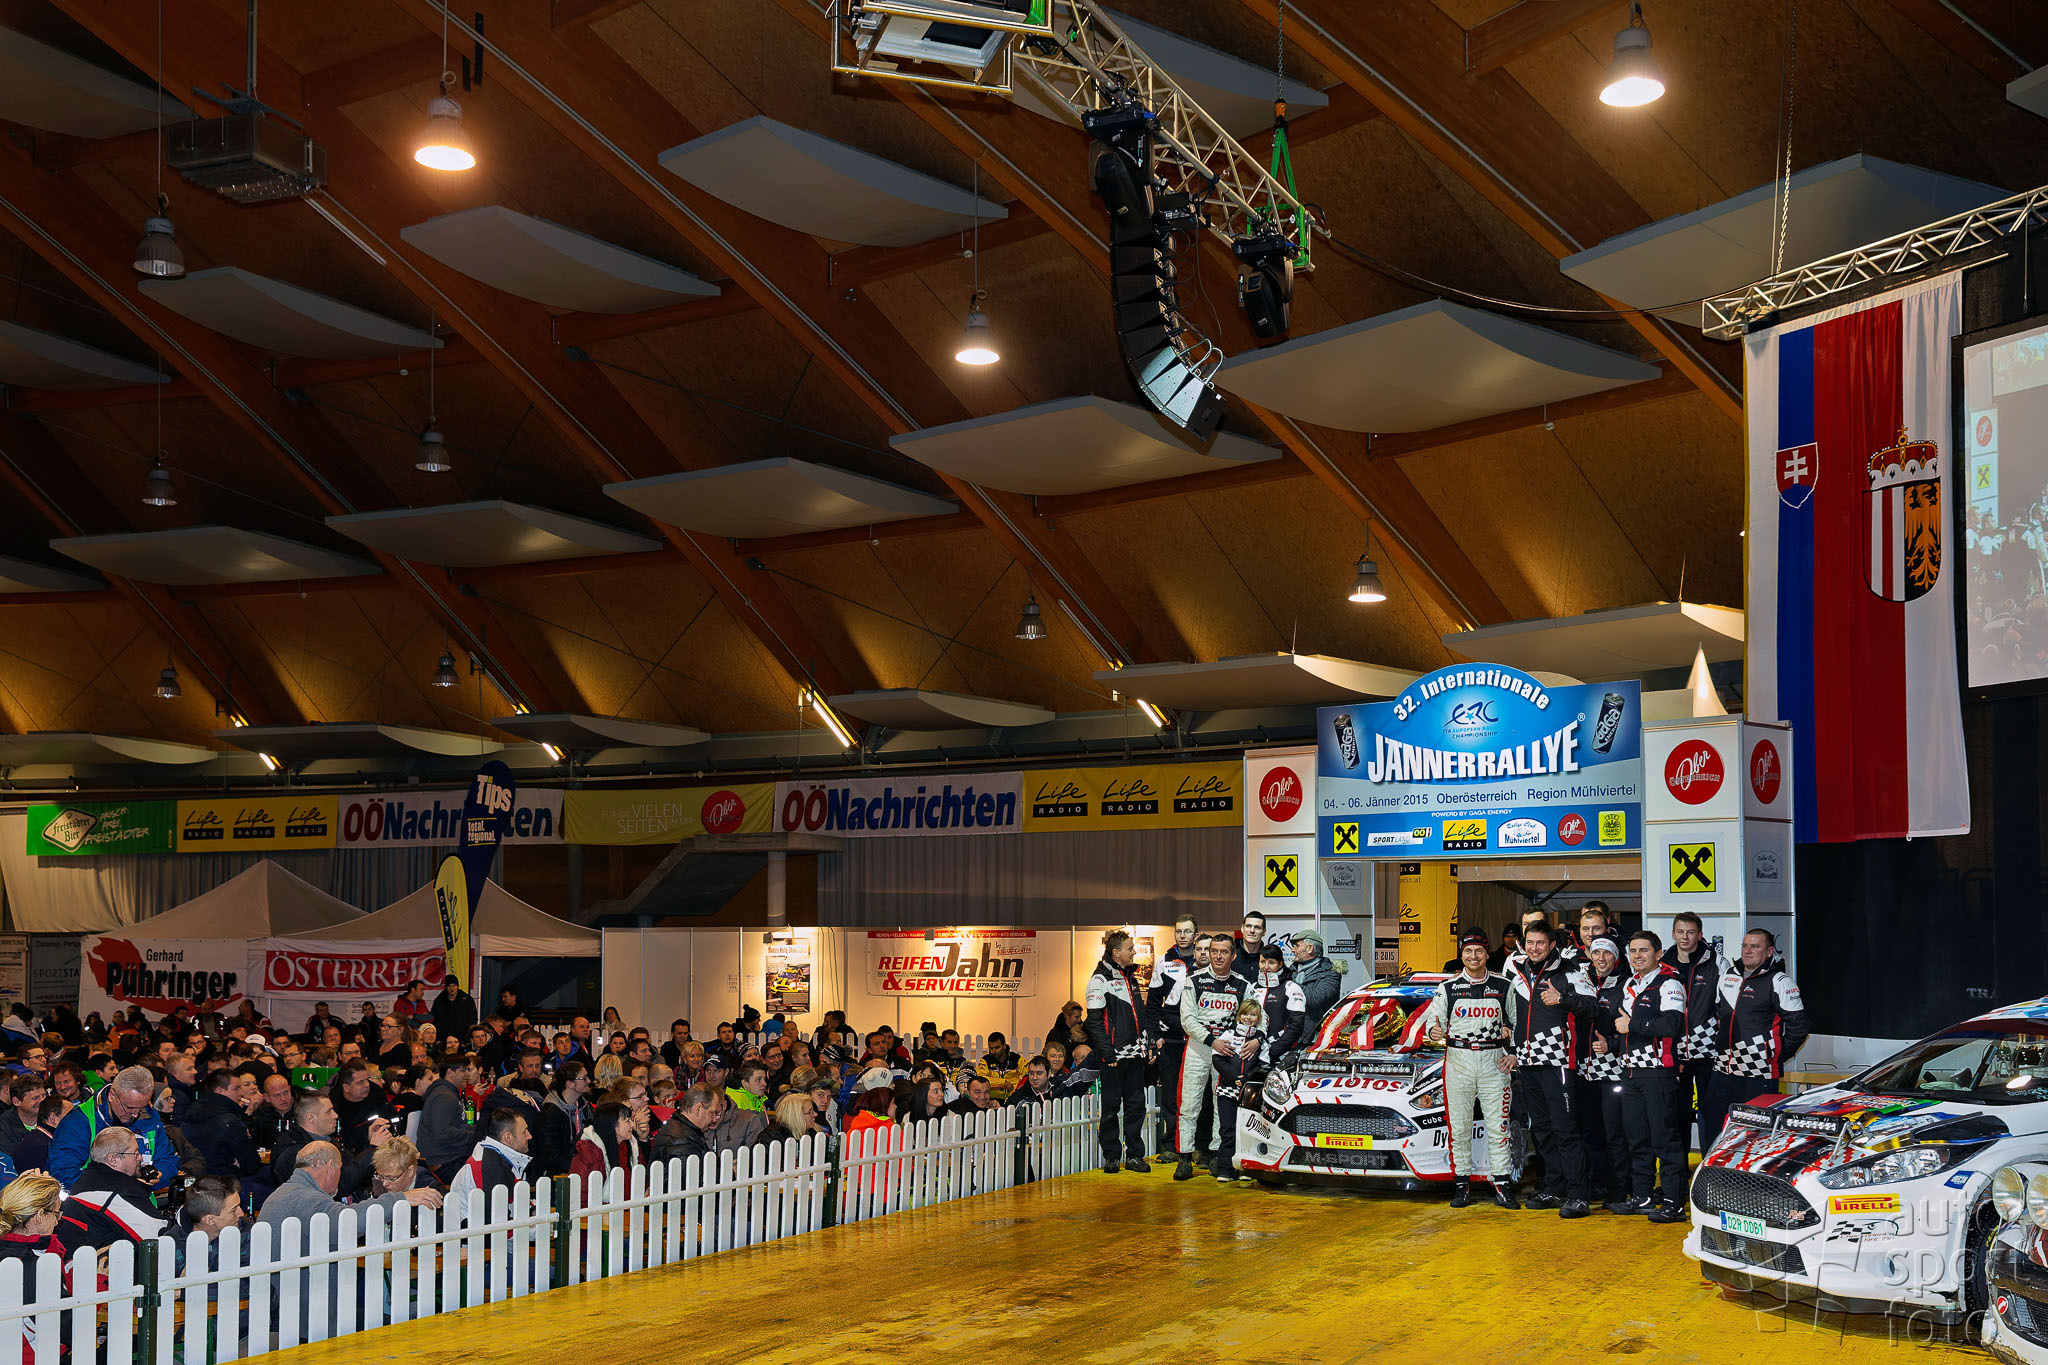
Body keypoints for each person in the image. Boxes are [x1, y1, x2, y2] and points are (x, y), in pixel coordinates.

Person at [1505, 920, 1597, 1218]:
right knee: (1542, 1130)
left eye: (1540, 943)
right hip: (1527, 1062)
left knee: (1565, 1130)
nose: (1535, 949)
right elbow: (1509, 1012)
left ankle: (1579, 1194)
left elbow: (1593, 1008)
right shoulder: (1515, 970)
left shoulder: (1570, 971)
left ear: (1552, 944)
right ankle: (1554, 1187)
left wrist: (1563, 999)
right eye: (1530, 943)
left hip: (1558, 1062)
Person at [1424, 931, 1520, 1209]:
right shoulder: (1448, 988)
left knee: (1499, 1128)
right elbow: (1433, 1021)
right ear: (1462, 954)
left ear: (1487, 954)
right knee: (1460, 1127)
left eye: (1479, 951)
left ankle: (1502, 1185)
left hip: (1494, 1061)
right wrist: (1433, 1031)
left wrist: (1514, 1054)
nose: (1473, 956)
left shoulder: (1504, 986)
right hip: (1459, 1062)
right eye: (1468, 951)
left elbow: (1518, 1022)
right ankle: (1461, 1185)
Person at [1701, 927, 1810, 1145]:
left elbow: (1799, 1026)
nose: (1748, 951)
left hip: (1758, 1074)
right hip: (1722, 1070)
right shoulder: (1728, 976)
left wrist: (1775, 1056)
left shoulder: (1779, 981)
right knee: (1712, 1127)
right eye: (1745, 946)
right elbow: (1717, 1015)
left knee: (1754, 1136)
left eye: (1755, 946)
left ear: (1769, 951)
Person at [1613, 930, 1689, 1222]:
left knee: (1664, 1140)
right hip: (1630, 1072)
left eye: (1644, 950)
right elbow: (1621, 1027)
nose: (1637, 956)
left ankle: (1673, 1202)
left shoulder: (1669, 984)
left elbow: (1671, 1026)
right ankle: (1642, 1196)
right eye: (1633, 951)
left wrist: (1632, 1025)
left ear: (1658, 954)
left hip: (1658, 1073)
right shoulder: (1630, 983)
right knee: (1637, 1140)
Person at [1174, 933, 1254, 1183]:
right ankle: (1184, 1157)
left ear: (1233, 956)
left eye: (1224, 952)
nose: (1218, 956)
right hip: (1199, 1048)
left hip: (1228, 1051)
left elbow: (1257, 1016)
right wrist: (1212, 1040)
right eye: (1214, 951)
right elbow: (1187, 1020)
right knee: (1189, 1104)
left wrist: (1256, 1038)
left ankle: (1220, 1157)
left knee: (1223, 1106)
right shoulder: (1193, 981)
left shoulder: (1243, 985)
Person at [1085, 928, 1153, 1177]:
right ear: (1116, 953)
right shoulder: (1099, 980)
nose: (1134, 952)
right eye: (1130, 949)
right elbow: (1094, 1022)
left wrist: (1147, 1044)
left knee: (1136, 1107)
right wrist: (1107, 1054)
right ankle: (1112, 1156)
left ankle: (1135, 1156)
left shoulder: (1130, 977)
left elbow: (1140, 1016)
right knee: (1111, 1108)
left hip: (1135, 1054)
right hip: (1113, 1058)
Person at [47, 1065, 177, 1191]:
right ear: (112, 1095)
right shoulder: (79, 1122)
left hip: (141, 1199)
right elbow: (64, 1174)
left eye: (141, 1107)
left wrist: (158, 1175)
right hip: (96, 1203)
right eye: (129, 1107)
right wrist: (122, 1186)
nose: (135, 1114)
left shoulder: (149, 1116)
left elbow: (169, 1161)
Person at [1663, 911, 1727, 1151]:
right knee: (1676, 1114)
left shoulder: (1717, 962)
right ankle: (1677, 1172)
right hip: (1673, 1051)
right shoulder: (1662, 964)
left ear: (1700, 935)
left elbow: (1726, 1007)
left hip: (1708, 1052)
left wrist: (1720, 1039)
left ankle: (1709, 1166)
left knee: (1711, 1113)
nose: (1685, 937)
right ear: (1673, 934)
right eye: (1680, 932)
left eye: (1690, 932)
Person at [1579, 936, 1631, 1213]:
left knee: (1615, 1134)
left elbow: (1635, 1029)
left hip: (1614, 1072)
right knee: (1590, 1132)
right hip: (1584, 1071)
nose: (1601, 958)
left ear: (1616, 957)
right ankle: (1597, 1183)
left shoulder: (1627, 984)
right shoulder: (1582, 982)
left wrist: (1612, 1044)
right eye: (1596, 952)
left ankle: (1619, 1189)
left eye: (1607, 953)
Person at [1145, 916, 1203, 1162]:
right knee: (1170, 1093)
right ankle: (1171, 1146)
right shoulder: (1164, 961)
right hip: (1170, 1039)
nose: (1182, 936)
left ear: (1196, 934)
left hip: (1199, 1039)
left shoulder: (1205, 958)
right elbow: (1152, 1003)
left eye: (1187, 931)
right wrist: (1154, 1036)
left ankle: (1197, 1146)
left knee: (1198, 1094)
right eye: (1179, 931)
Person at [55, 1128, 166, 1250]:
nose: (140, 1158)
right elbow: (158, 1237)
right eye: (135, 1153)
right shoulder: (120, 1193)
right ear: (113, 1159)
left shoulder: (85, 1181)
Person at [271, 1093, 384, 1198]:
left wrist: (369, 1142)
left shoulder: (330, 1142)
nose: (335, 1115)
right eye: (329, 1111)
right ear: (311, 1118)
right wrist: (373, 1149)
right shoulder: (295, 1152)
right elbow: (339, 1186)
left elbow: (354, 1170)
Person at [182, 1067, 267, 1201]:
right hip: (226, 1186)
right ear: (220, 1090)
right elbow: (251, 1164)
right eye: (236, 1088)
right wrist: (237, 1165)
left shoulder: (191, 1113)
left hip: (196, 1185)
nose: (241, 1092)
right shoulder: (230, 1121)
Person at [446, 1107, 532, 1221]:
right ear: (508, 1137)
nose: (529, 1136)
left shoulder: (499, 1157)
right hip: (477, 1231)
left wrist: (532, 1210)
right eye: (524, 1132)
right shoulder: (491, 1167)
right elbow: (496, 1222)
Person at [417, 1055, 478, 1184]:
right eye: (463, 1070)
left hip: (449, 1157)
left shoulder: (448, 1093)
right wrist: (473, 1135)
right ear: (450, 1073)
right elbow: (443, 1133)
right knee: (486, 1172)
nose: (467, 1074)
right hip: (444, 1162)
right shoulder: (444, 1097)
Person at [532, 1061, 592, 1179]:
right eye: (584, 1078)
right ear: (569, 1084)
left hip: (580, 1170)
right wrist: (578, 1165)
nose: (589, 1081)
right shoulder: (550, 1113)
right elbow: (550, 1155)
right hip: (555, 1176)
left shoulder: (584, 1106)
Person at [1251, 943, 1306, 1065]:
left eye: (1271, 962)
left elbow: (1296, 1027)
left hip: (1281, 1055)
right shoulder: (1252, 988)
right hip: (1254, 1054)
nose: (1266, 967)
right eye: (1262, 962)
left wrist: (1272, 1052)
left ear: (1280, 964)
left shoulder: (1291, 988)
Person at [651, 1083, 722, 1166]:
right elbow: (694, 1173)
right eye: (712, 1112)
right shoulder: (681, 1140)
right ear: (697, 1109)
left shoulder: (683, 1130)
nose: (714, 1119)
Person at [571, 1101, 640, 1182]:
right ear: (612, 1124)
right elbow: (579, 1186)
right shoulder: (589, 1151)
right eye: (627, 1121)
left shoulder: (630, 1145)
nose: (632, 1125)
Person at [0, 1074, 45, 1158]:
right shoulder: (4, 1126)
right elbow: (13, 1158)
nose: (42, 1101)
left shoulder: (52, 1116)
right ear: (16, 1101)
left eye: (44, 1096)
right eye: (35, 1098)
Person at [13, 1097, 61, 1175]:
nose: (73, 1119)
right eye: (69, 1115)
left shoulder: (41, 1138)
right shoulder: (41, 1146)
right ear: (52, 1118)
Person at [974, 1034, 1024, 1101]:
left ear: (1004, 1046)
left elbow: (1028, 1075)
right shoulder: (985, 1060)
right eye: (991, 1048)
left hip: (1013, 1099)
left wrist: (1019, 1089)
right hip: (991, 1100)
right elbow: (981, 1079)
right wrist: (1004, 1083)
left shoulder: (1016, 1058)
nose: (993, 1051)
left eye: (997, 1048)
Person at [1231, 911, 1275, 980]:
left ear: (1264, 932)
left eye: (1257, 927)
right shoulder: (1230, 956)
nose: (1252, 931)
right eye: (1248, 926)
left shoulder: (1271, 957)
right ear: (1242, 928)